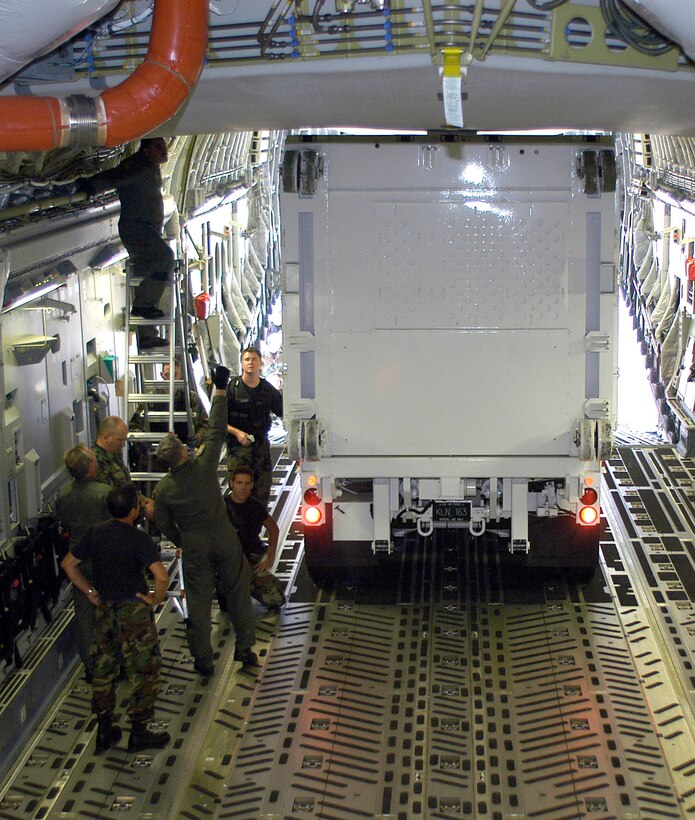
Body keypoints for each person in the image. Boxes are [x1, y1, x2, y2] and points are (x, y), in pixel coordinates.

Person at [153, 365, 258, 676]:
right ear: (184, 453)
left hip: (194, 544)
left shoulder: (164, 489)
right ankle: (245, 649)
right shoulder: (203, 467)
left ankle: (203, 659)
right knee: (238, 590)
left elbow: (162, 523)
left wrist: (182, 540)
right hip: (223, 536)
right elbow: (216, 428)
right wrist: (222, 390)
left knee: (198, 601)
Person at [61, 483, 170, 755]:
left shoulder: (95, 533)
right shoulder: (139, 538)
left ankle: (104, 729)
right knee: (144, 670)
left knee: (103, 671)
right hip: (134, 613)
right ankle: (138, 731)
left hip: (105, 610)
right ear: (134, 510)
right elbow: (161, 575)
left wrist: (89, 592)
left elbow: (68, 564)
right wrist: (155, 598)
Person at [78, 137, 174, 350]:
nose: (163, 151)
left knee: (149, 278)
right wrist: (90, 186)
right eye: (158, 147)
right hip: (137, 230)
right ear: (146, 150)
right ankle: (142, 306)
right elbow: (115, 177)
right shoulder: (137, 166)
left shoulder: (152, 167)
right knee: (165, 259)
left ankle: (147, 336)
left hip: (149, 230)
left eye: (164, 147)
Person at [56, 444, 111, 682]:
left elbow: (64, 522)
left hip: (78, 561)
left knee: (85, 614)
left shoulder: (64, 495)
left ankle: (90, 665)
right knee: (111, 610)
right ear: (90, 467)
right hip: (105, 559)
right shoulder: (105, 493)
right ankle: (112, 661)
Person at [226, 347, 283, 508]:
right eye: (247, 359)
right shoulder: (232, 388)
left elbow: (284, 411)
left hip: (260, 448)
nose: (250, 362)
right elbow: (218, 421)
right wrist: (236, 433)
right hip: (238, 450)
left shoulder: (267, 390)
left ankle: (255, 528)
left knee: (261, 493)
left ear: (260, 363)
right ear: (242, 364)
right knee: (239, 494)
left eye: (254, 359)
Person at [224, 466, 285, 609]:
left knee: (276, 600)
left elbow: (273, 528)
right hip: (229, 558)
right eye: (239, 483)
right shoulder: (223, 506)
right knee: (227, 605)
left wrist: (270, 556)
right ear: (232, 483)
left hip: (251, 554)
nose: (243, 487)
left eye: (247, 483)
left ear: (251, 485)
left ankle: (250, 584)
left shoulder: (255, 506)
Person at [95, 415, 154, 518]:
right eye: (120, 440)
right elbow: (114, 499)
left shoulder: (114, 455)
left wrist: (141, 499)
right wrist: (144, 511)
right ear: (106, 437)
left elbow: (124, 484)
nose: (123, 445)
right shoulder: (97, 462)